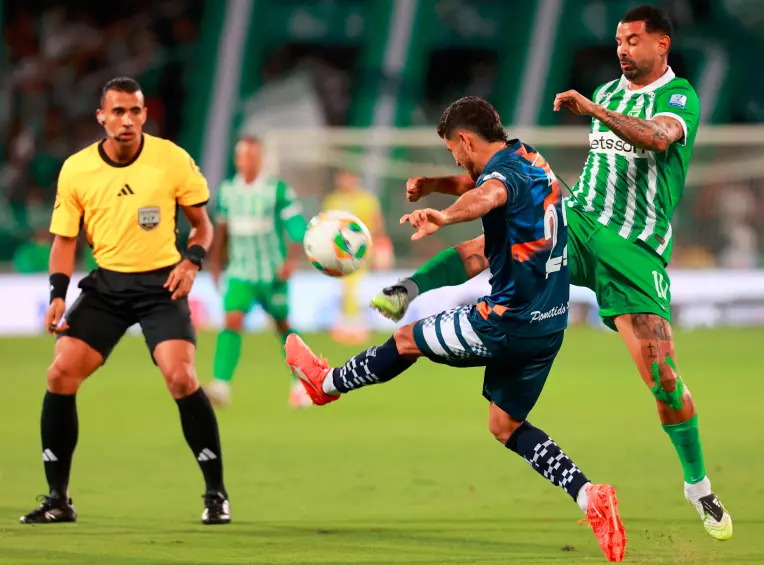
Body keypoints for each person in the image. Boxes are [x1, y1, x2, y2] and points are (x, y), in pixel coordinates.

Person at [370, 5, 732, 541]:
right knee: (494, 240)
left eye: (634, 40)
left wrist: (591, 110)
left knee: (664, 381)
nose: (622, 49)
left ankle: (697, 487)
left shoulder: (678, 98)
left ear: (662, 45)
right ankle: (407, 289)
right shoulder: (608, 93)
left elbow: (655, 139)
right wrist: (450, 188)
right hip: (581, 219)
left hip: (633, 250)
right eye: (618, 40)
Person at [286, 97, 626, 562]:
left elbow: (485, 193)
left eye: (452, 151)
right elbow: (477, 222)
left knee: (408, 339)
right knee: (505, 425)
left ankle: (325, 384)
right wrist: (434, 188)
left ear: (466, 139)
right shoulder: (530, 159)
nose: (456, 159)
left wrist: (444, 214)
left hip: (505, 323)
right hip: (549, 325)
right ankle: (591, 497)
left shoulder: (499, 183)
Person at [20, 77, 231, 525]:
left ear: (144, 115)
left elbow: (203, 226)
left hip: (161, 286)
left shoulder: (171, 159)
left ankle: (216, 493)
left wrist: (191, 263)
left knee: (181, 376)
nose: (127, 120)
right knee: (60, 373)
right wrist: (57, 295)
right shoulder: (77, 169)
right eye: (117, 112)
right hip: (107, 287)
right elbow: (64, 240)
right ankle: (58, 498)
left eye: (134, 111)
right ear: (101, 117)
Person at [204, 137, 311, 409]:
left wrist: (290, 261)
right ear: (237, 160)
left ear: (261, 159)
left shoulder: (276, 190)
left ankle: (303, 383)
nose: (248, 161)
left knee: (283, 327)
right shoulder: (228, 191)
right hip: (240, 272)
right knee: (232, 321)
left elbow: (296, 226)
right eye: (243, 156)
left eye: (253, 155)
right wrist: (215, 265)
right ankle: (221, 385)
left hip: (272, 273)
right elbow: (222, 231)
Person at [321, 170, 392, 344]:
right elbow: (324, 223)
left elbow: (376, 222)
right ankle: (352, 324)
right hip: (339, 251)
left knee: (352, 284)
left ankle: (353, 326)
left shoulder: (366, 199)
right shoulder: (333, 199)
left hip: (361, 249)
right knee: (347, 285)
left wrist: (378, 244)